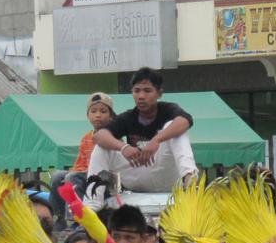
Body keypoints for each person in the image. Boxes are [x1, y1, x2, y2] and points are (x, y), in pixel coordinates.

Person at [85, 67, 198, 207]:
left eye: (147, 90)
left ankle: (191, 184)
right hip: (137, 172)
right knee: (102, 146)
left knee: (174, 128)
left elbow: (185, 121)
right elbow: (99, 136)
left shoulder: (169, 109)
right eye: (136, 90)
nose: (141, 96)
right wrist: (124, 147)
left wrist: (157, 139)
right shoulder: (128, 117)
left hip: (165, 173)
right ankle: (91, 206)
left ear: (159, 93)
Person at [50, 92, 115, 228]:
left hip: (104, 177)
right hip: (84, 174)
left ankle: (77, 220)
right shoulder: (86, 138)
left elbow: (114, 167)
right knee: (58, 176)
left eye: (103, 111)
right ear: (88, 116)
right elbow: (79, 165)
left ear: (111, 116)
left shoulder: (114, 137)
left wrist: (75, 175)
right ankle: (58, 217)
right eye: (94, 111)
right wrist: (72, 174)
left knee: (73, 177)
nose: (98, 115)